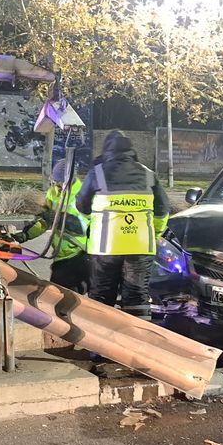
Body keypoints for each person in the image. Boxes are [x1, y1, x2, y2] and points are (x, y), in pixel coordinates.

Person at [76, 131, 170, 320]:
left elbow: (82, 206)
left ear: (106, 151)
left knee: (101, 298)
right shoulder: (148, 174)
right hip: (141, 247)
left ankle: (101, 347)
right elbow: (163, 211)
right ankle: (138, 345)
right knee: (137, 298)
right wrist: (156, 233)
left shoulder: (98, 173)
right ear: (131, 151)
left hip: (105, 248)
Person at [19, 159, 90, 292]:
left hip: (80, 255)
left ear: (70, 179)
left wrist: (59, 217)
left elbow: (84, 227)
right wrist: (26, 234)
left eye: (60, 182)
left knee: (61, 298)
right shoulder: (53, 193)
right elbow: (45, 221)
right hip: (62, 257)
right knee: (57, 297)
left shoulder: (84, 195)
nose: (57, 185)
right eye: (55, 181)